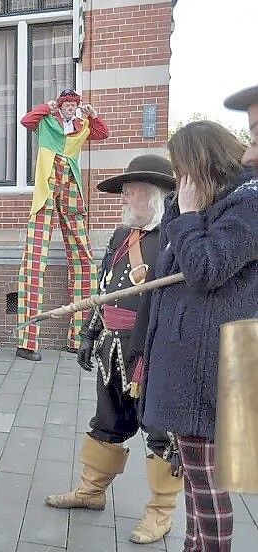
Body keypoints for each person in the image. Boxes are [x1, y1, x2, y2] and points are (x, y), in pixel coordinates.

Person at [44, 154, 181, 544]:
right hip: (112, 347)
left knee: (160, 432)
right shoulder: (122, 235)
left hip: (153, 353)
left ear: (157, 195)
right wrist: (90, 332)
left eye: (132, 193)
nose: (125, 199)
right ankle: (91, 492)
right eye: (124, 193)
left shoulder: (175, 238)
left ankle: (160, 511)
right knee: (107, 421)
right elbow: (105, 291)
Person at [141, 118, 257, 552]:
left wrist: (187, 215)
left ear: (204, 164)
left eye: (182, 171)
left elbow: (206, 268)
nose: (179, 182)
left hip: (213, 372)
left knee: (209, 489)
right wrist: (180, 212)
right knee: (196, 481)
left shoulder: (248, 204)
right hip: (194, 369)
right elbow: (176, 266)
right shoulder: (214, 206)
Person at [16, 88, 109, 361]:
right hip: (46, 188)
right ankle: (27, 342)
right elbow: (26, 120)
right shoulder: (47, 122)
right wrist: (48, 105)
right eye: (66, 105)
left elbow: (102, 133)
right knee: (35, 260)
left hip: (71, 191)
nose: (69, 109)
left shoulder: (82, 126)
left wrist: (94, 115)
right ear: (60, 106)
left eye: (73, 105)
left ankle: (78, 338)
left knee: (84, 261)